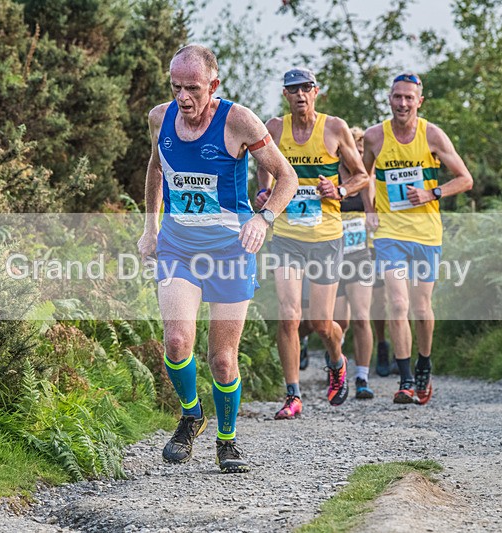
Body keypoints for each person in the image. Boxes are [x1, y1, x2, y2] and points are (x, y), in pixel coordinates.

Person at [138, 44, 297, 473]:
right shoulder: (160, 117)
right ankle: (191, 416)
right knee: (175, 341)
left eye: (192, 88)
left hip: (231, 249)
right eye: (176, 87)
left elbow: (287, 177)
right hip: (178, 245)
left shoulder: (239, 121)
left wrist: (263, 219)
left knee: (223, 360)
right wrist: (151, 227)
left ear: (214, 85)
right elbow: (156, 167)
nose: (183, 98)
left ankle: (227, 441)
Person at [256, 68, 369, 419]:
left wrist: (340, 190)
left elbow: (362, 175)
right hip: (287, 236)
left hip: (325, 237)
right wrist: (264, 191)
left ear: (316, 92)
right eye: (293, 89)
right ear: (286, 95)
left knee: (322, 323)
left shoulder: (334, 128)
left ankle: (337, 360)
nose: (300, 94)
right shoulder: (274, 128)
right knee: (289, 317)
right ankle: (293, 395)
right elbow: (263, 165)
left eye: (306, 88)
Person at [363, 72, 473, 405]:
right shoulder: (373, 137)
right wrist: (369, 208)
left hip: (426, 233)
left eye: (409, 97)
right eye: (397, 96)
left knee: (422, 306)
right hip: (389, 234)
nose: (402, 103)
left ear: (419, 101)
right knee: (397, 303)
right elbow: (362, 175)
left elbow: (465, 179)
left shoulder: (433, 135)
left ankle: (424, 362)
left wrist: (431, 193)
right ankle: (406, 380)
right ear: (389, 98)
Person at [332, 127, 377, 399]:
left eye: (362, 152)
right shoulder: (332, 177)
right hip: (333, 256)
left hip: (360, 254)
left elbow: (374, 212)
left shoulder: (366, 180)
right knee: (338, 321)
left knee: (362, 316)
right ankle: (338, 365)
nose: (358, 157)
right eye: (353, 152)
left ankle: (362, 377)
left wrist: (373, 217)